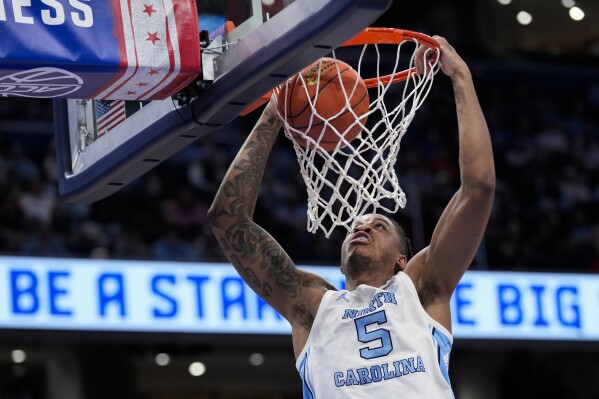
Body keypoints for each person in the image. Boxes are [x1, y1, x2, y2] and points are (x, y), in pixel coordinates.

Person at [208, 36, 495, 398]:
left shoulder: (421, 289)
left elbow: (478, 188)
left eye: (379, 225)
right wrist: (272, 116)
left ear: (401, 261)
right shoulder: (311, 306)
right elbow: (227, 221)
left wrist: (461, 78)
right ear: (342, 263)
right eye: (358, 224)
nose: (362, 225)